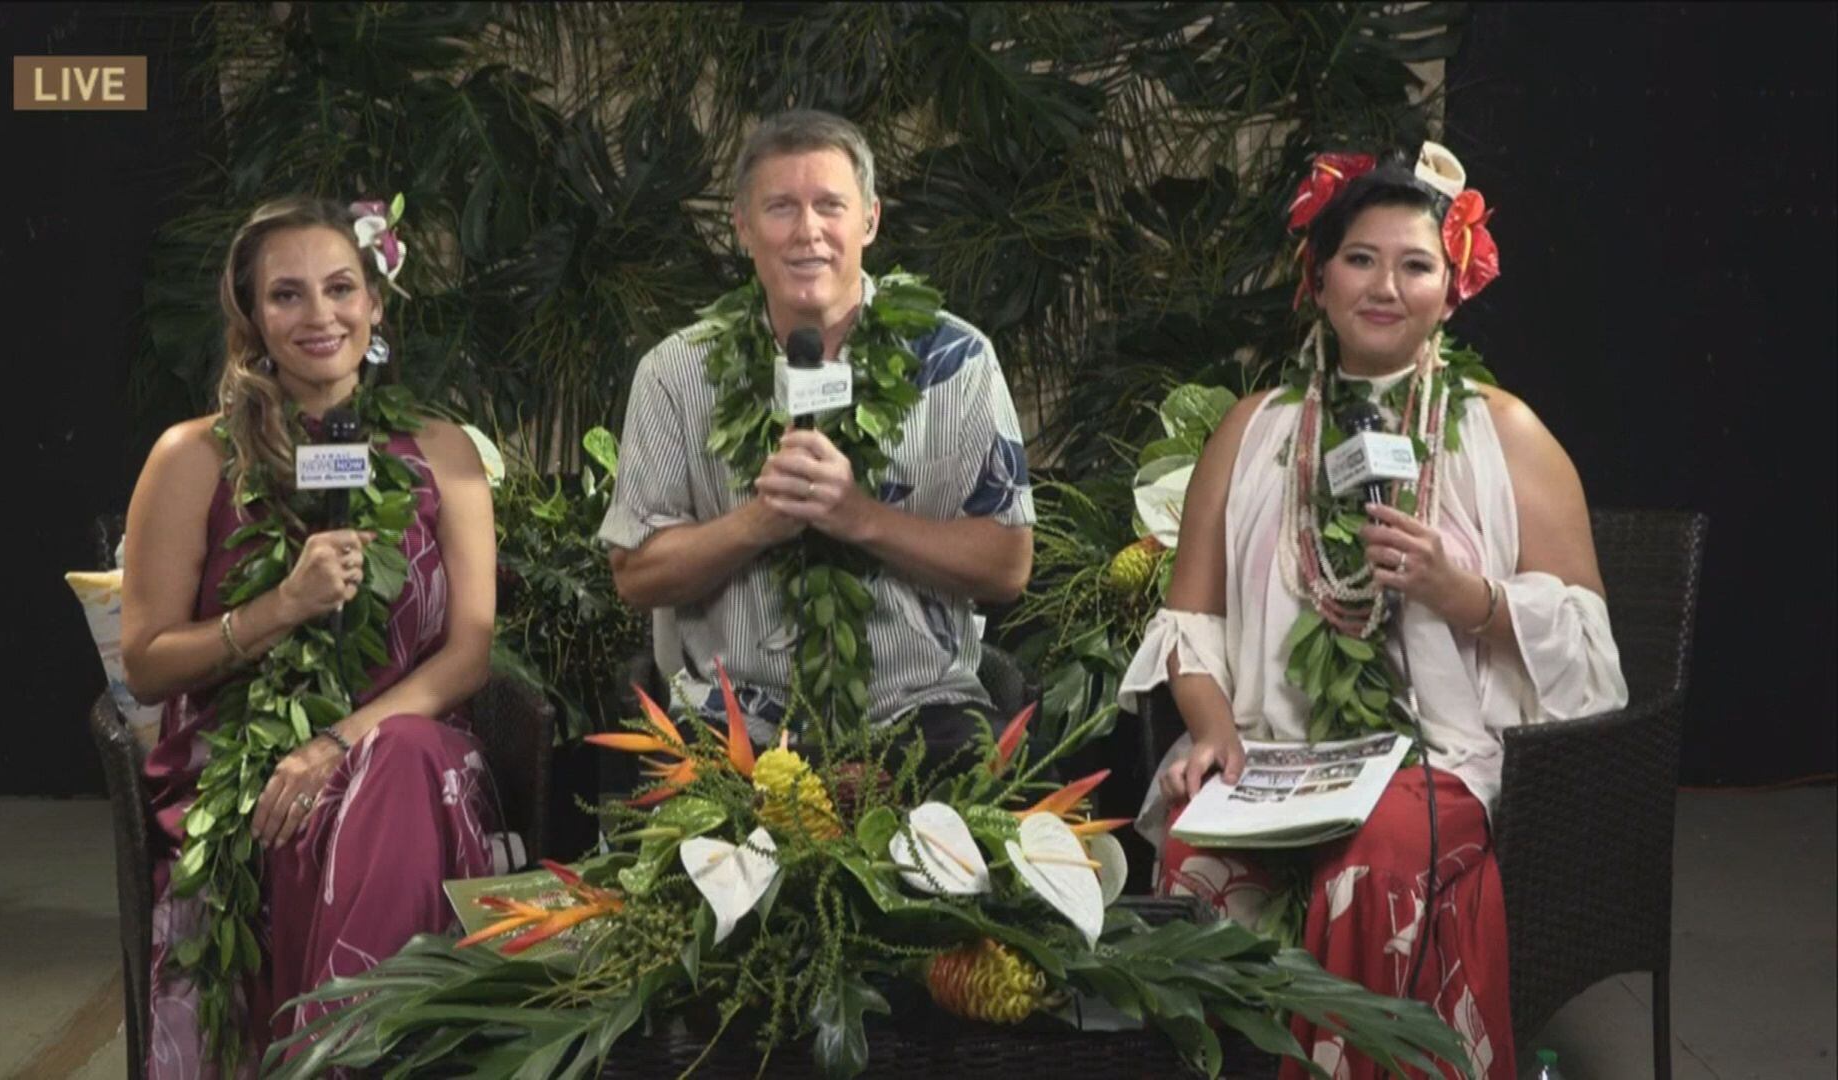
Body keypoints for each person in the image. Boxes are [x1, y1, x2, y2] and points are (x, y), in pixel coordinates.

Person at [1117, 144, 1628, 1080]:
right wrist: (1213, 726)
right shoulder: (1251, 429)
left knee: (1377, 861)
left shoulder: (1503, 432)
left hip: (1436, 758)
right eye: (1360, 258)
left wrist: (1460, 595)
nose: (1385, 284)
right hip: (1276, 752)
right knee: (1195, 848)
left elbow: (1589, 645)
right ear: (1318, 281)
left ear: (1451, 287)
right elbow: (1191, 626)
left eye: (1415, 263)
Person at [120, 196, 500, 1076]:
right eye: (287, 296)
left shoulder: (444, 449)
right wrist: (279, 607)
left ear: (375, 304)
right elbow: (144, 665)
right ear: (252, 318)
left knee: (399, 758)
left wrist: (337, 743)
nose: (319, 315)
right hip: (246, 769)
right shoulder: (193, 457)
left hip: (414, 749)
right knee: (325, 808)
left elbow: (470, 651)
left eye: (340, 288)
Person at [600, 110, 1034, 763]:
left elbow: (1008, 565)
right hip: (731, 718)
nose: (808, 231)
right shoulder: (676, 372)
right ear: (744, 228)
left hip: (921, 709)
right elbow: (635, 574)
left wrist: (858, 517)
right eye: (780, 208)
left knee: (971, 845)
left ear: (870, 220)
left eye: (830, 205)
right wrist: (758, 523)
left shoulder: (958, 361)